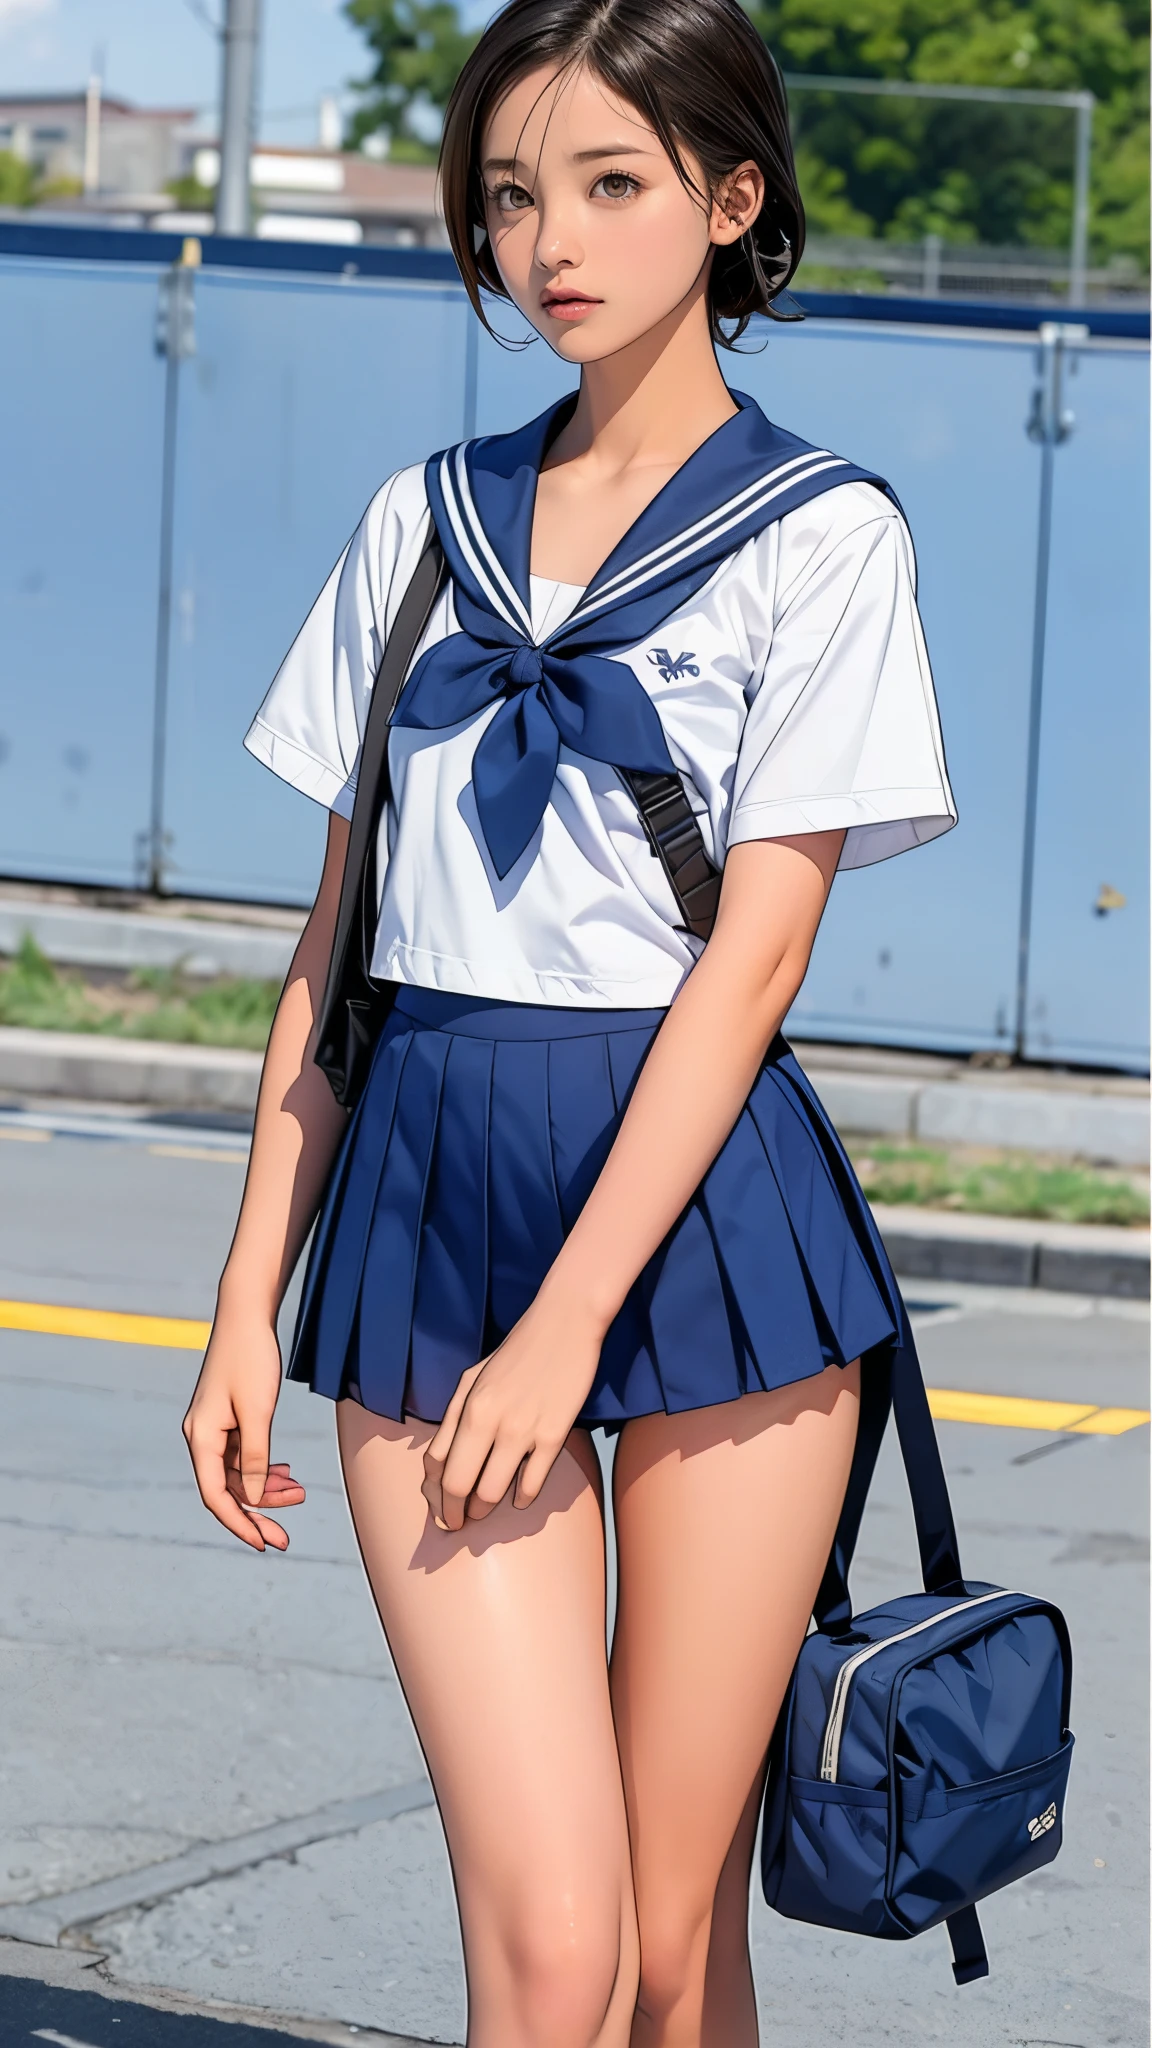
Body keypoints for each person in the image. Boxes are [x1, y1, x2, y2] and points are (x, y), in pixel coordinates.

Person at [183, 2, 956, 2041]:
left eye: (612, 184)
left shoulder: (820, 538)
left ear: (729, 198)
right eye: (513, 192)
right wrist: (244, 1299)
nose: (552, 240)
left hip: (708, 1220)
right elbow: (332, 956)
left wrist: (564, 1322)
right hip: (430, 1197)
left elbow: (755, 966)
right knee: (555, 1941)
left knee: (680, 1924)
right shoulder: (411, 525)